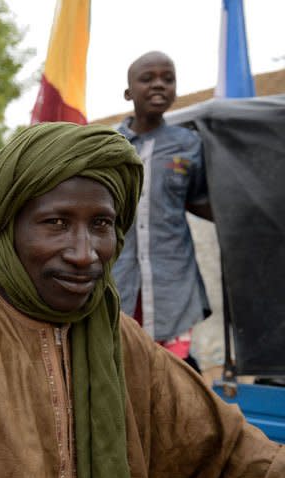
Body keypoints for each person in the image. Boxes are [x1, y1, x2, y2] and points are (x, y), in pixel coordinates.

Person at [0, 123, 285, 478]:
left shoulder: (120, 338)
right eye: (56, 222)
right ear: (9, 231)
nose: (85, 253)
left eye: (100, 224)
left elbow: (227, 459)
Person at [113, 51, 212, 373]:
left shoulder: (189, 144)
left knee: (173, 375)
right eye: (148, 78)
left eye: (167, 79)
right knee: (123, 368)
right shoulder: (109, 145)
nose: (159, 85)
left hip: (173, 281)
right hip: (119, 281)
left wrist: (245, 215)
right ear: (129, 93)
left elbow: (197, 199)